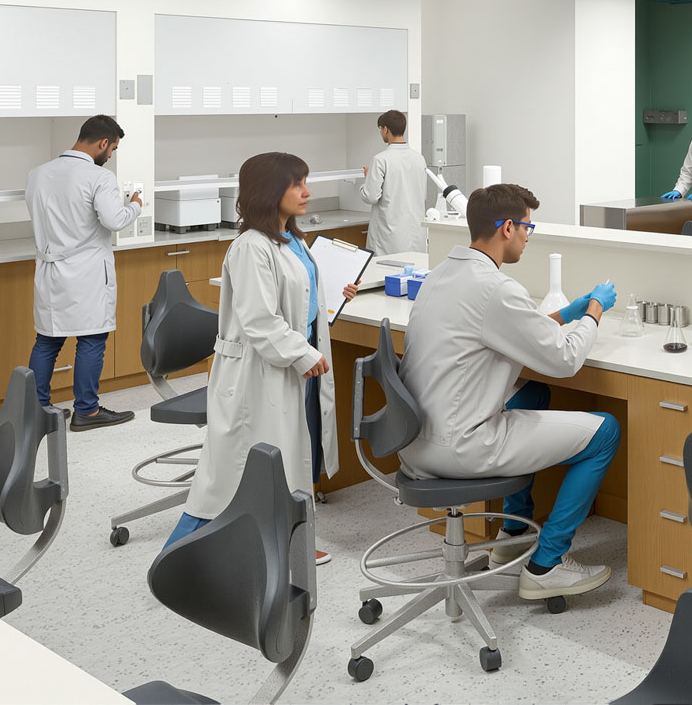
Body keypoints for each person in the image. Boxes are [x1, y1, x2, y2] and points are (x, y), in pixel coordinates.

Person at [398, 184, 621, 600]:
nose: (527, 236)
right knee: (605, 431)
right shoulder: (497, 288)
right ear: (506, 228)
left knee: (532, 394)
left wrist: (567, 313)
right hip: (460, 445)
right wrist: (595, 311)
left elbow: (508, 329)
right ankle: (546, 564)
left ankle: (514, 533)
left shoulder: (443, 274)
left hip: (416, 438)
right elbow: (566, 361)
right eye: (526, 227)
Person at [169, 152, 357, 563]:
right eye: (296, 184)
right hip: (262, 373)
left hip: (294, 366)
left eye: (305, 182)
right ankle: (181, 557)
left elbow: (296, 297)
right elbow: (259, 320)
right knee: (231, 470)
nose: (306, 192)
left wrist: (331, 293)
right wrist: (300, 353)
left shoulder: (293, 239)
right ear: (270, 191)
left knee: (292, 460)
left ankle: (293, 545)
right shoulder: (252, 247)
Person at [26, 114, 143, 430]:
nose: (111, 155)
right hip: (86, 272)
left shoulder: (38, 174)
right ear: (104, 143)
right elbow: (114, 220)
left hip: (49, 271)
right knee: (92, 338)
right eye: (113, 149)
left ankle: (37, 410)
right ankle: (87, 411)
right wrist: (135, 205)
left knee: (48, 340)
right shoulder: (98, 177)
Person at [359, 109, 428, 255]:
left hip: (389, 237)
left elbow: (371, 196)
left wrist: (367, 178)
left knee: (385, 274)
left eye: (380, 129)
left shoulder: (381, 160)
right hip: (416, 233)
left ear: (385, 129)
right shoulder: (419, 158)